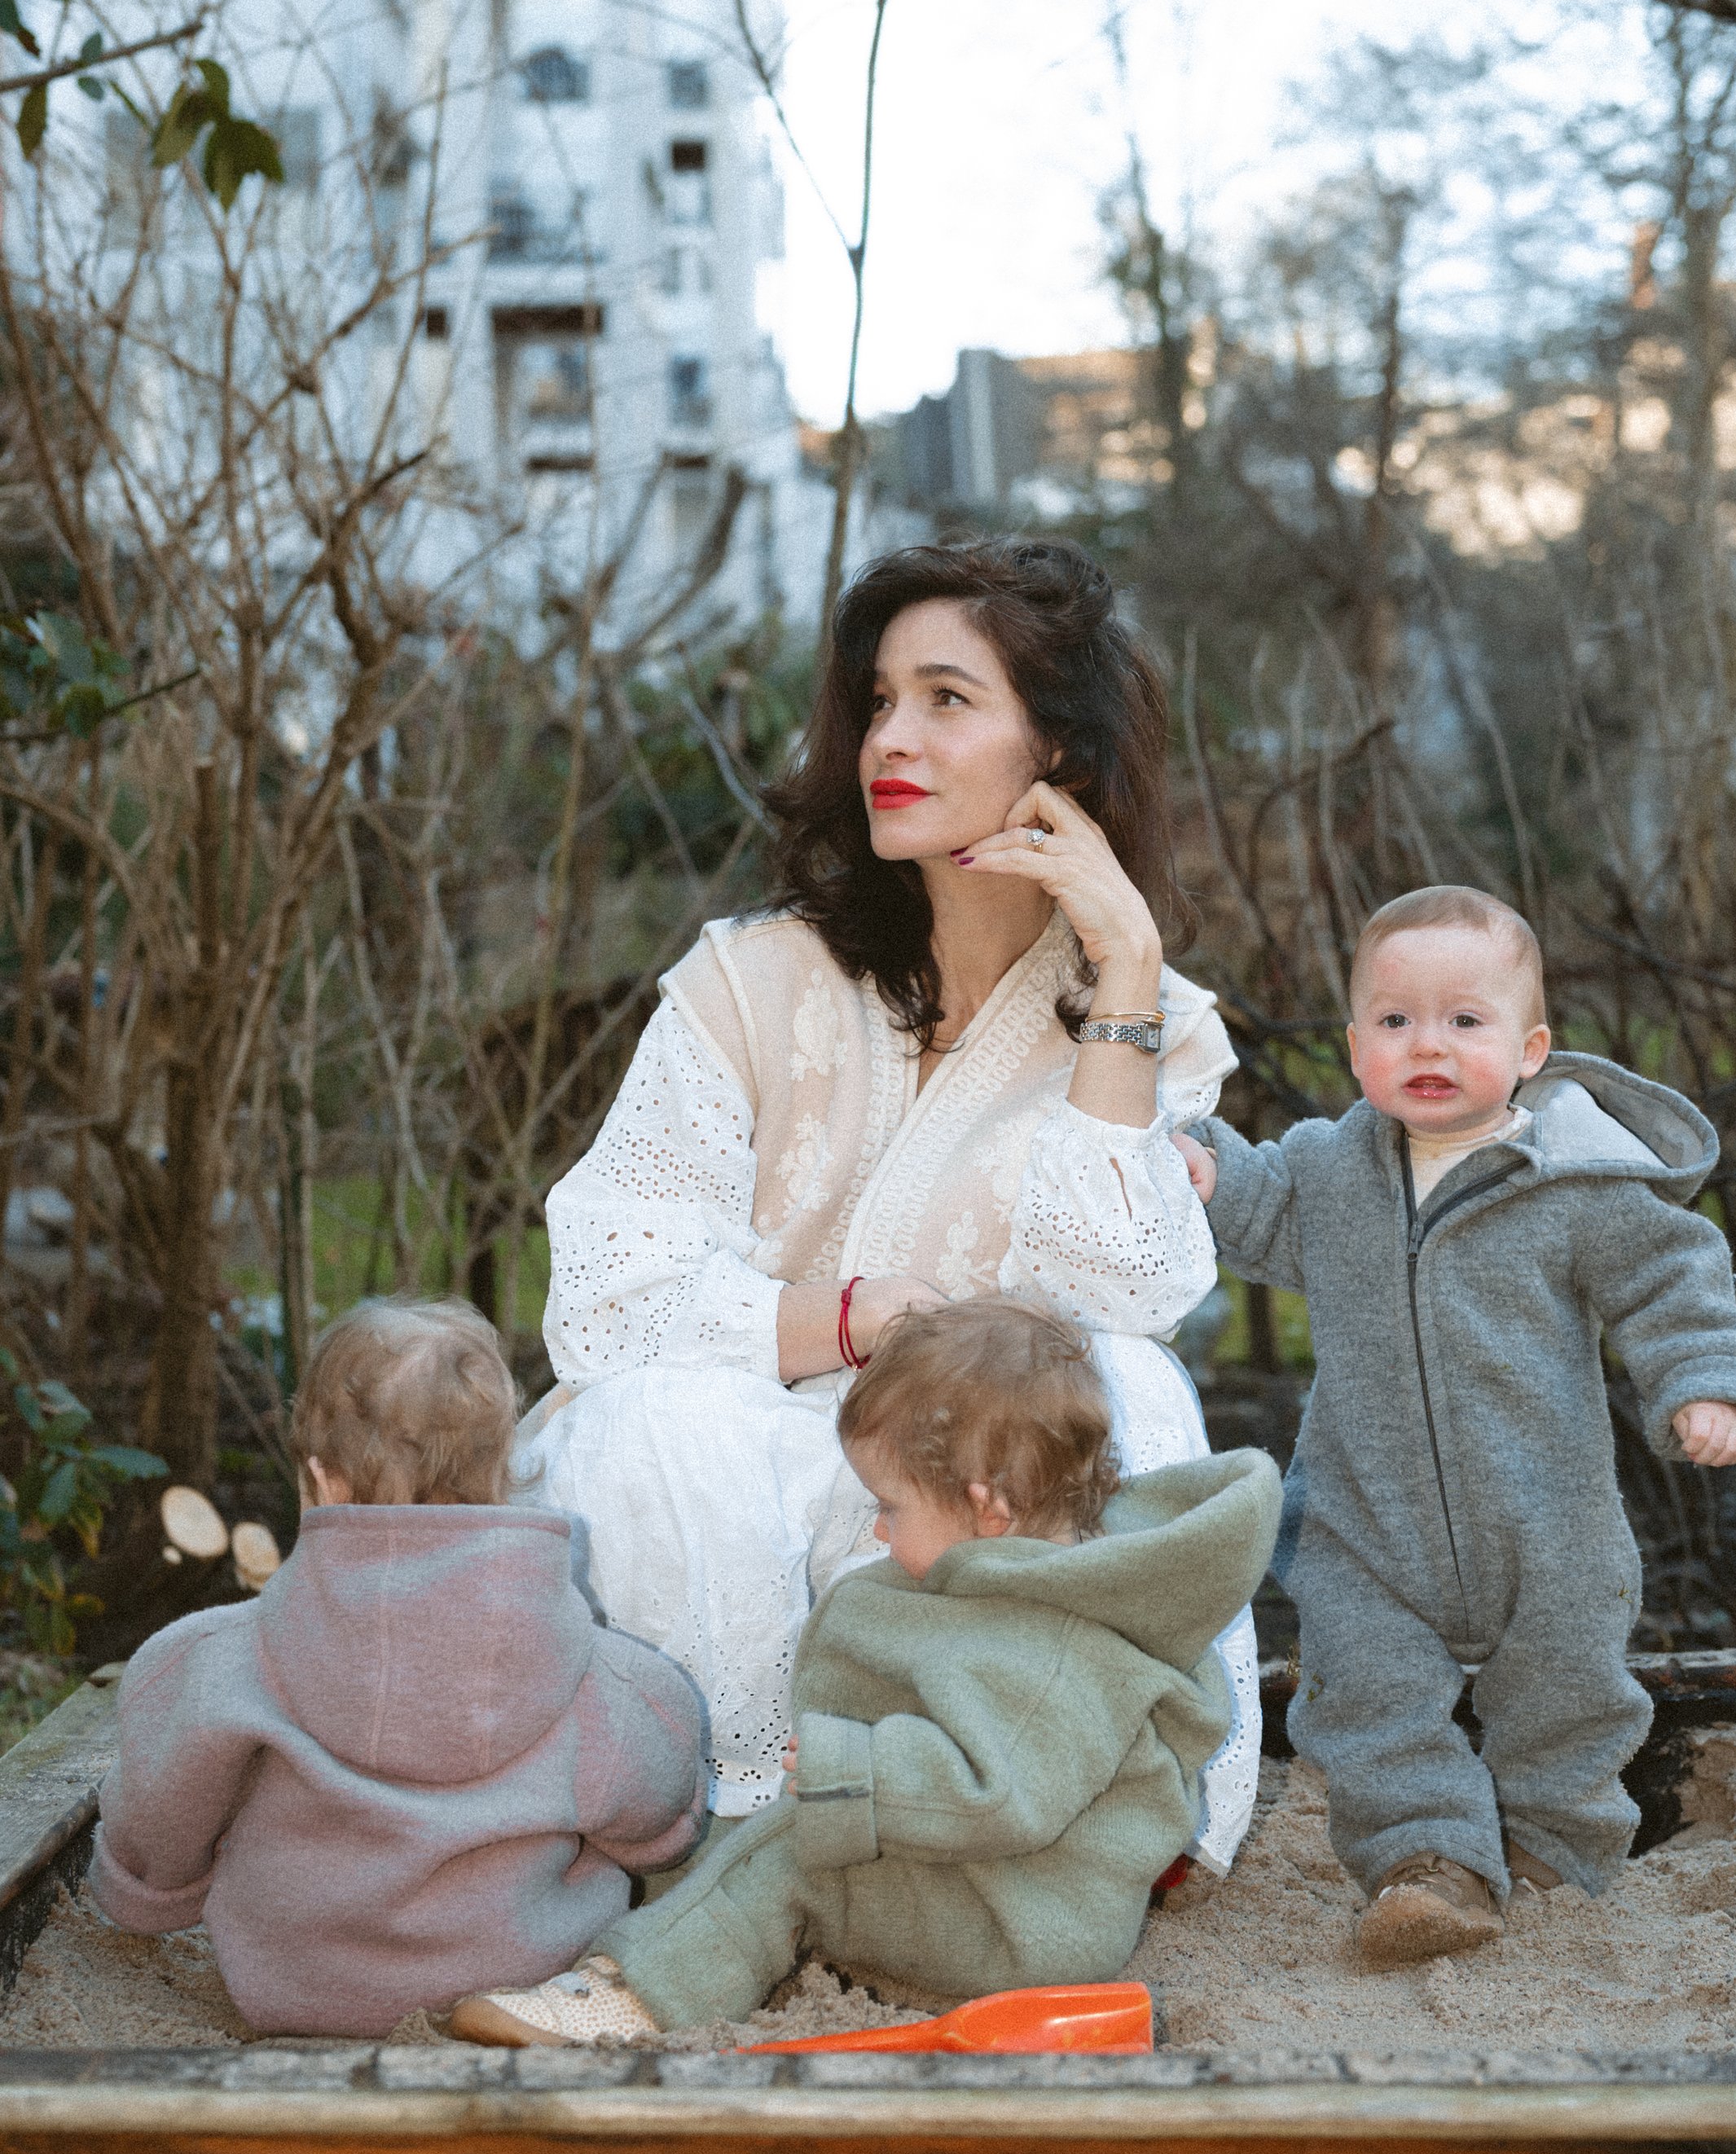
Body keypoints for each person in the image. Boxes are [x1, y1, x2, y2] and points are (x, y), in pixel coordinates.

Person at [514, 538, 1261, 1871]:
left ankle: (1073, 1820)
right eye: (877, 702)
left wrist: (1126, 970)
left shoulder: (1156, 1021)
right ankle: (736, 1830)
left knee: (1137, 1388)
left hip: (977, 1506)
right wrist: (859, 1317)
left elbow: (1118, 1299)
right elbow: (609, 1296)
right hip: (739, 1487)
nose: (889, 739)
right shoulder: (747, 979)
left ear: (1060, 753)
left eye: (945, 699)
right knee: (643, 1424)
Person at [1177, 884, 1736, 1971]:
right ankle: (1427, 1864)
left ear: (1530, 1048)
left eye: (1465, 1019)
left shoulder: (1574, 1180)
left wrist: (1707, 1383)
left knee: (1568, 1700)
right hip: (1368, 1524)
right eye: (1395, 1019)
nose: (1428, 1044)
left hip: (1546, 1521)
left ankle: (1553, 1853)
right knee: (1365, 1701)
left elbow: (1671, 1277)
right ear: (1355, 1046)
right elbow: (1256, 1206)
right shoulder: (1328, 1171)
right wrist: (1203, 1164)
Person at [450, 1299, 1282, 2046]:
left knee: (788, 1859)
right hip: (992, 1881)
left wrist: (859, 1771)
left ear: (988, 1506)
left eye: (890, 1506)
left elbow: (1000, 1796)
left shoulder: (1063, 1645)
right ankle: (675, 1926)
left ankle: (635, 1998)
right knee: (746, 1839)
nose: (880, 1532)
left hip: (1020, 1922)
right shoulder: (1023, 1581)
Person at [86, 1298, 709, 2038]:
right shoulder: (596, 1677)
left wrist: (152, 1893)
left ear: (323, 1480)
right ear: (504, 1472)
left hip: (295, 1992)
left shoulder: (221, 1660)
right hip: (523, 1983)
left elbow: (155, 1827)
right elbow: (656, 1818)